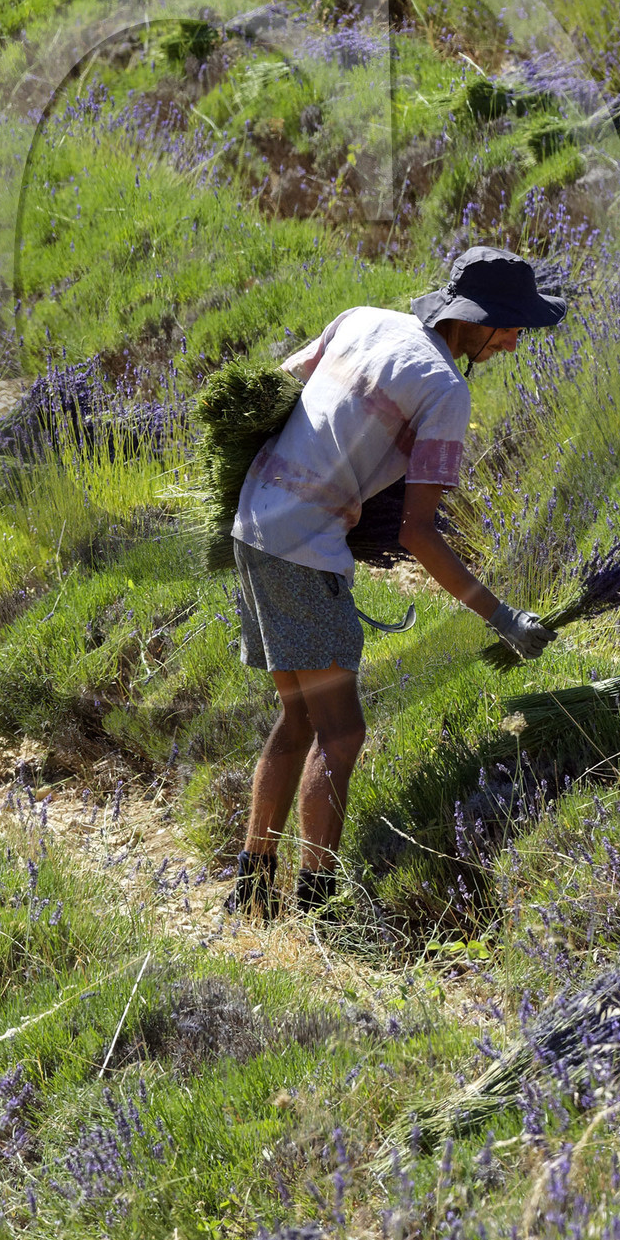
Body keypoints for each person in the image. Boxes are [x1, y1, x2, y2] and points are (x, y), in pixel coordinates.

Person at [228, 245, 567, 920]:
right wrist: (500, 617)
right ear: (474, 321)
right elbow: (419, 531)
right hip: (300, 546)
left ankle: (252, 890)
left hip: (252, 520)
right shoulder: (446, 390)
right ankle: (315, 906)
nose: (515, 340)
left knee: (299, 718)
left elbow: (271, 395)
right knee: (341, 734)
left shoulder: (363, 319)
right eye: (510, 325)